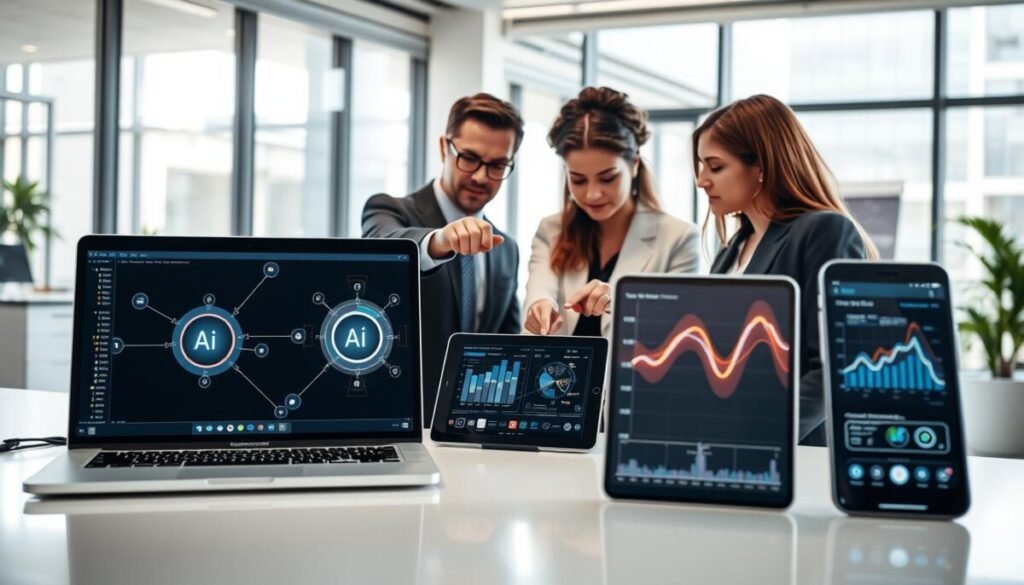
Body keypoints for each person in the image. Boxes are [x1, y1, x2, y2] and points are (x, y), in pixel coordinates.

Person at [693, 94, 878, 446]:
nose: (702, 181)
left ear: (761, 166)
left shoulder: (823, 232)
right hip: (726, 445)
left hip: (791, 450)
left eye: (715, 167)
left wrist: (756, 435)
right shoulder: (731, 251)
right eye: (701, 167)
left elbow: (835, 368)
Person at [362, 93, 524, 425]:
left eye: (497, 165)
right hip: (398, 422)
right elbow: (383, 246)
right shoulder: (392, 210)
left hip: (474, 430)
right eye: (469, 158)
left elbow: (509, 349)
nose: (480, 176)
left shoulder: (506, 248)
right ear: (443, 148)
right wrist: (439, 240)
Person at [524, 87, 699, 338]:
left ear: (634, 165)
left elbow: (680, 330)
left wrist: (618, 302)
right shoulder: (551, 230)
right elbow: (540, 289)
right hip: (558, 376)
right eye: (578, 180)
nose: (592, 194)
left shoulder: (679, 239)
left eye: (607, 178)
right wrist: (538, 307)